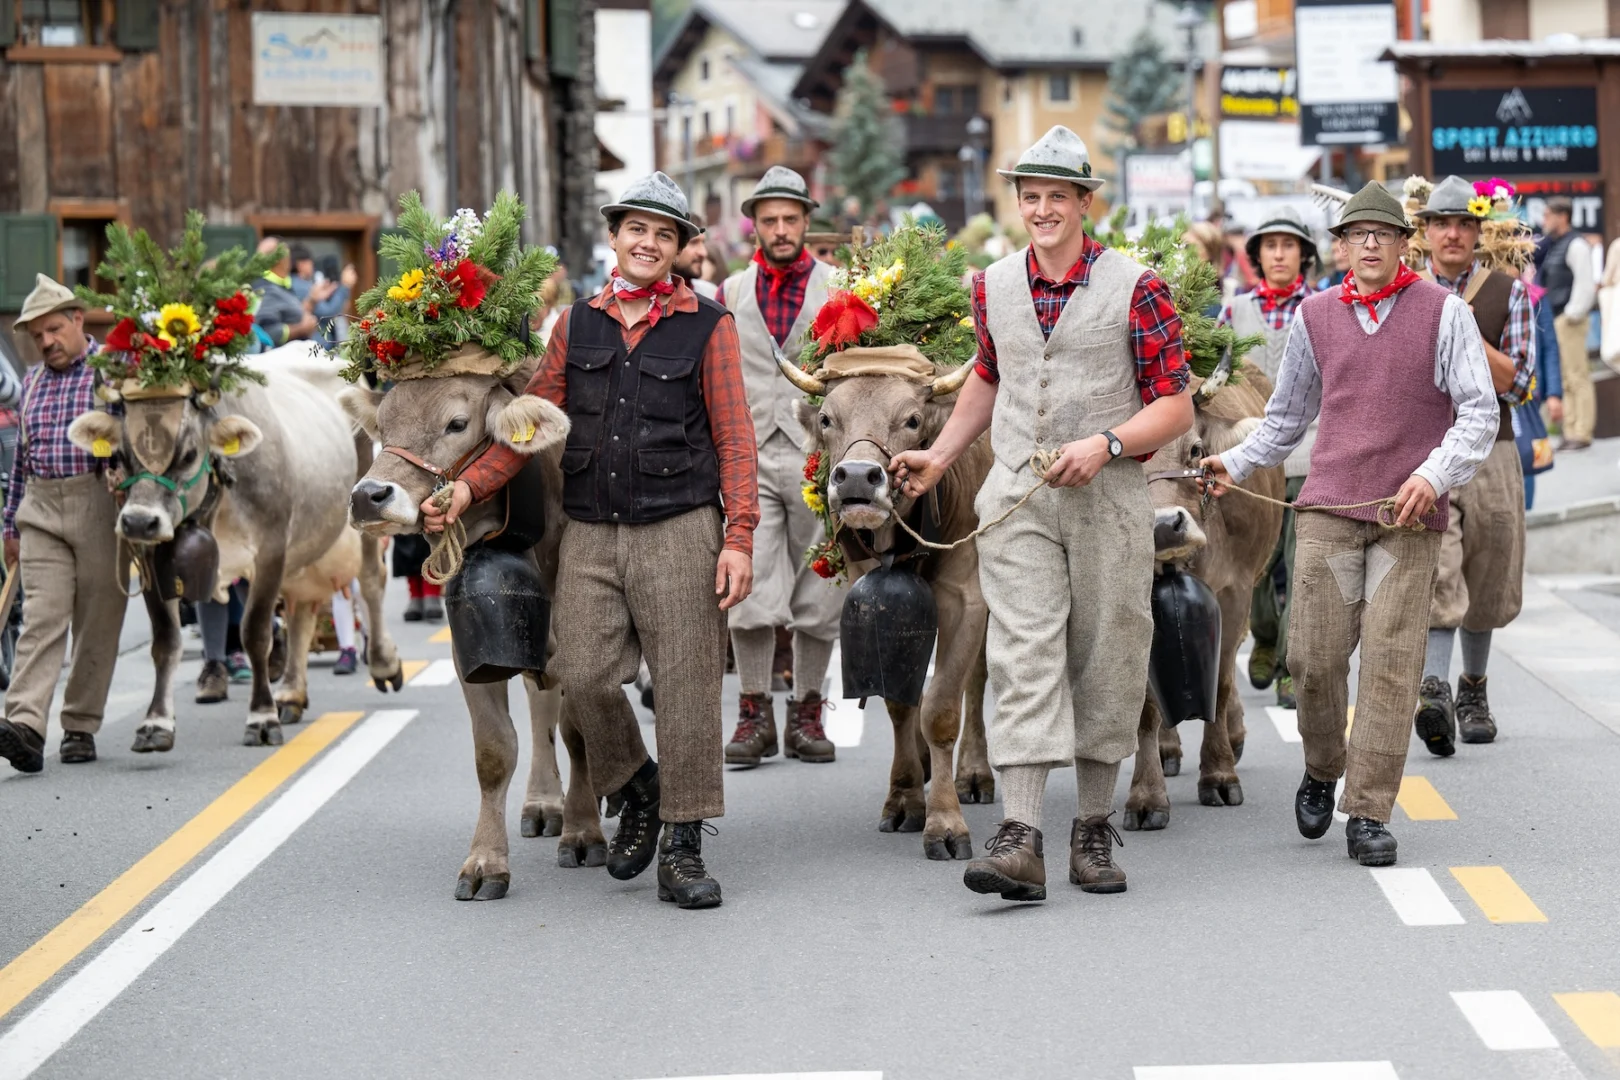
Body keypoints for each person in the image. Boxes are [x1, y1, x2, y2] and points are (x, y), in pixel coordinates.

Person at [423, 172, 758, 910]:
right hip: (591, 531)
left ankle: (683, 847)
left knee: (687, 687)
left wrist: (738, 537)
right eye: (637, 229)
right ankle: (637, 786)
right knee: (580, 674)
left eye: (664, 234)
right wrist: (468, 489)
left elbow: (736, 440)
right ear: (614, 237)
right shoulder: (575, 325)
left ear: (679, 249)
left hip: (681, 528)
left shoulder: (711, 326)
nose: (649, 243)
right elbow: (525, 429)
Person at [891, 126, 1194, 902]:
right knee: (1021, 651)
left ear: (1085, 203)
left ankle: (1091, 829)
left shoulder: (1137, 287)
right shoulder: (993, 284)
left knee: (1108, 652)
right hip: (1018, 495)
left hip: (1108, 499)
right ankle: (1020, 836)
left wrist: (1108, 443)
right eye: (1031, 197)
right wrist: (940, 455)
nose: (1043, 209)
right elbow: (989, 377)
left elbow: (1175, 405)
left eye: (1058, 196)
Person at [1205, 182, 1497, 866]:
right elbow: (1286, 419)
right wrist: (1234, 464)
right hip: (1330, 512)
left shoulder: (1445, 313)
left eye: (1383, 233)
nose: (1370, 243)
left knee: (1391, 666)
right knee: (1312, 659)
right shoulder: (1315, 316)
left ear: (1403, 244)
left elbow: (1479, 411)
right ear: (1339, 247)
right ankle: (1323, 765)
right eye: (1357, 234)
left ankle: (1368, 811)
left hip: (1407, 517)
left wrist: (1433, 475)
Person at [715, 166, 844, 767]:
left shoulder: (837, 288)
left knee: (821, 585)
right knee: (749, 584)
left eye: (791, 218)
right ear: (755, 226)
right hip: (750, 456)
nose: (781, 229)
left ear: (806, 221)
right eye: (770, 220)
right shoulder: (731, 292)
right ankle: (754, 713)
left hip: (816, 453)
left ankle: (808, 711)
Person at [1407, 176, 1537, 754]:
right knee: (1439, 563)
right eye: (1442, 223)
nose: (1453, 234)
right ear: (1426, 232)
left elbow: (1520, 383)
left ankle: (1473, 689)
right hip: (1426, 448)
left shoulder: (1509, 292)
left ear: (1479, 231)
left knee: (1489, 566)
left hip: (1493, 449)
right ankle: (1434, 690)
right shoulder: (1406, 289)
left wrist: (1461, 325)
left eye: (1464, 223)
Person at [0, 276, 129, 772]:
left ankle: (80, 724)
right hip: (41, 508)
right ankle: (25, 726)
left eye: (54, 329)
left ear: (78, 320)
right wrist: (11, 526)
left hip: (99, 503)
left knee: (98, 619)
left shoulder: (111, 372)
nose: (46, 342)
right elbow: (21, 458)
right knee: (42, 617)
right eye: (38, 336)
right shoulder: (32, 380)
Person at [1219, 206, 1317, 710]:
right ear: (1257, 256)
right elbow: (1218, 376)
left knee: (1303, 565)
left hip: (1310, 453)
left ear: (1304, 254)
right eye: (1270, 246)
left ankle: (1290, 665)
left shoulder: (1321, 307)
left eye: (1289, 245)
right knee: (1257, 556)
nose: (1279, 254)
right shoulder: (1234, 311)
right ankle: (1263, 631)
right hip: (1252, 454)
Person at [1538, 198, 1595, 450]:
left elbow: (1585, 284)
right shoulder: (1555, 244)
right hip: (1558, 318)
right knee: (1565, 377)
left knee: (1577, 375)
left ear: (1563, 216)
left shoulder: (1576, 244)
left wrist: (1572, 314)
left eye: (1548, 215)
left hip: (1569, 319)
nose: (1544, 220)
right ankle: (1570, 430)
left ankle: (1582, 432)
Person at [251, 237, 319, 347]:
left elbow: (289, 313)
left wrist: (311, 303)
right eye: (287, 254)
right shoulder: (265, 288)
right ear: (279, 259)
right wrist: (302, 328)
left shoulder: (284, 284)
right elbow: (267, 332)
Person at [674, 212, 716, 299]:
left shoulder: (711, 295)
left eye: (703, 243)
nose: (703, 253)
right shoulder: (649, 299)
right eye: (694, 243)